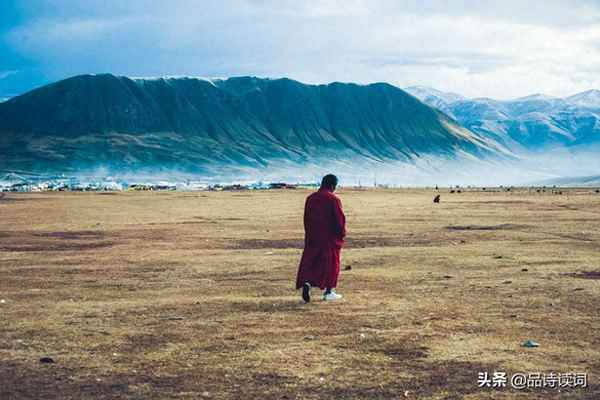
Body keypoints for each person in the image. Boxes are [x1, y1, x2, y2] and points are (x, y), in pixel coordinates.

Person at [296, 174, 346, 302]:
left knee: (312, 261)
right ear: (332, 185)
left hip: (313, 236)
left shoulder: (310, 198)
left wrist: (309, 233)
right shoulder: (333, 199)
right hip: (329, 238)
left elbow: (306, 218)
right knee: (330, 264)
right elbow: (339, 220)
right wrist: (341, 234)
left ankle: (307, 283)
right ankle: (329, 291)